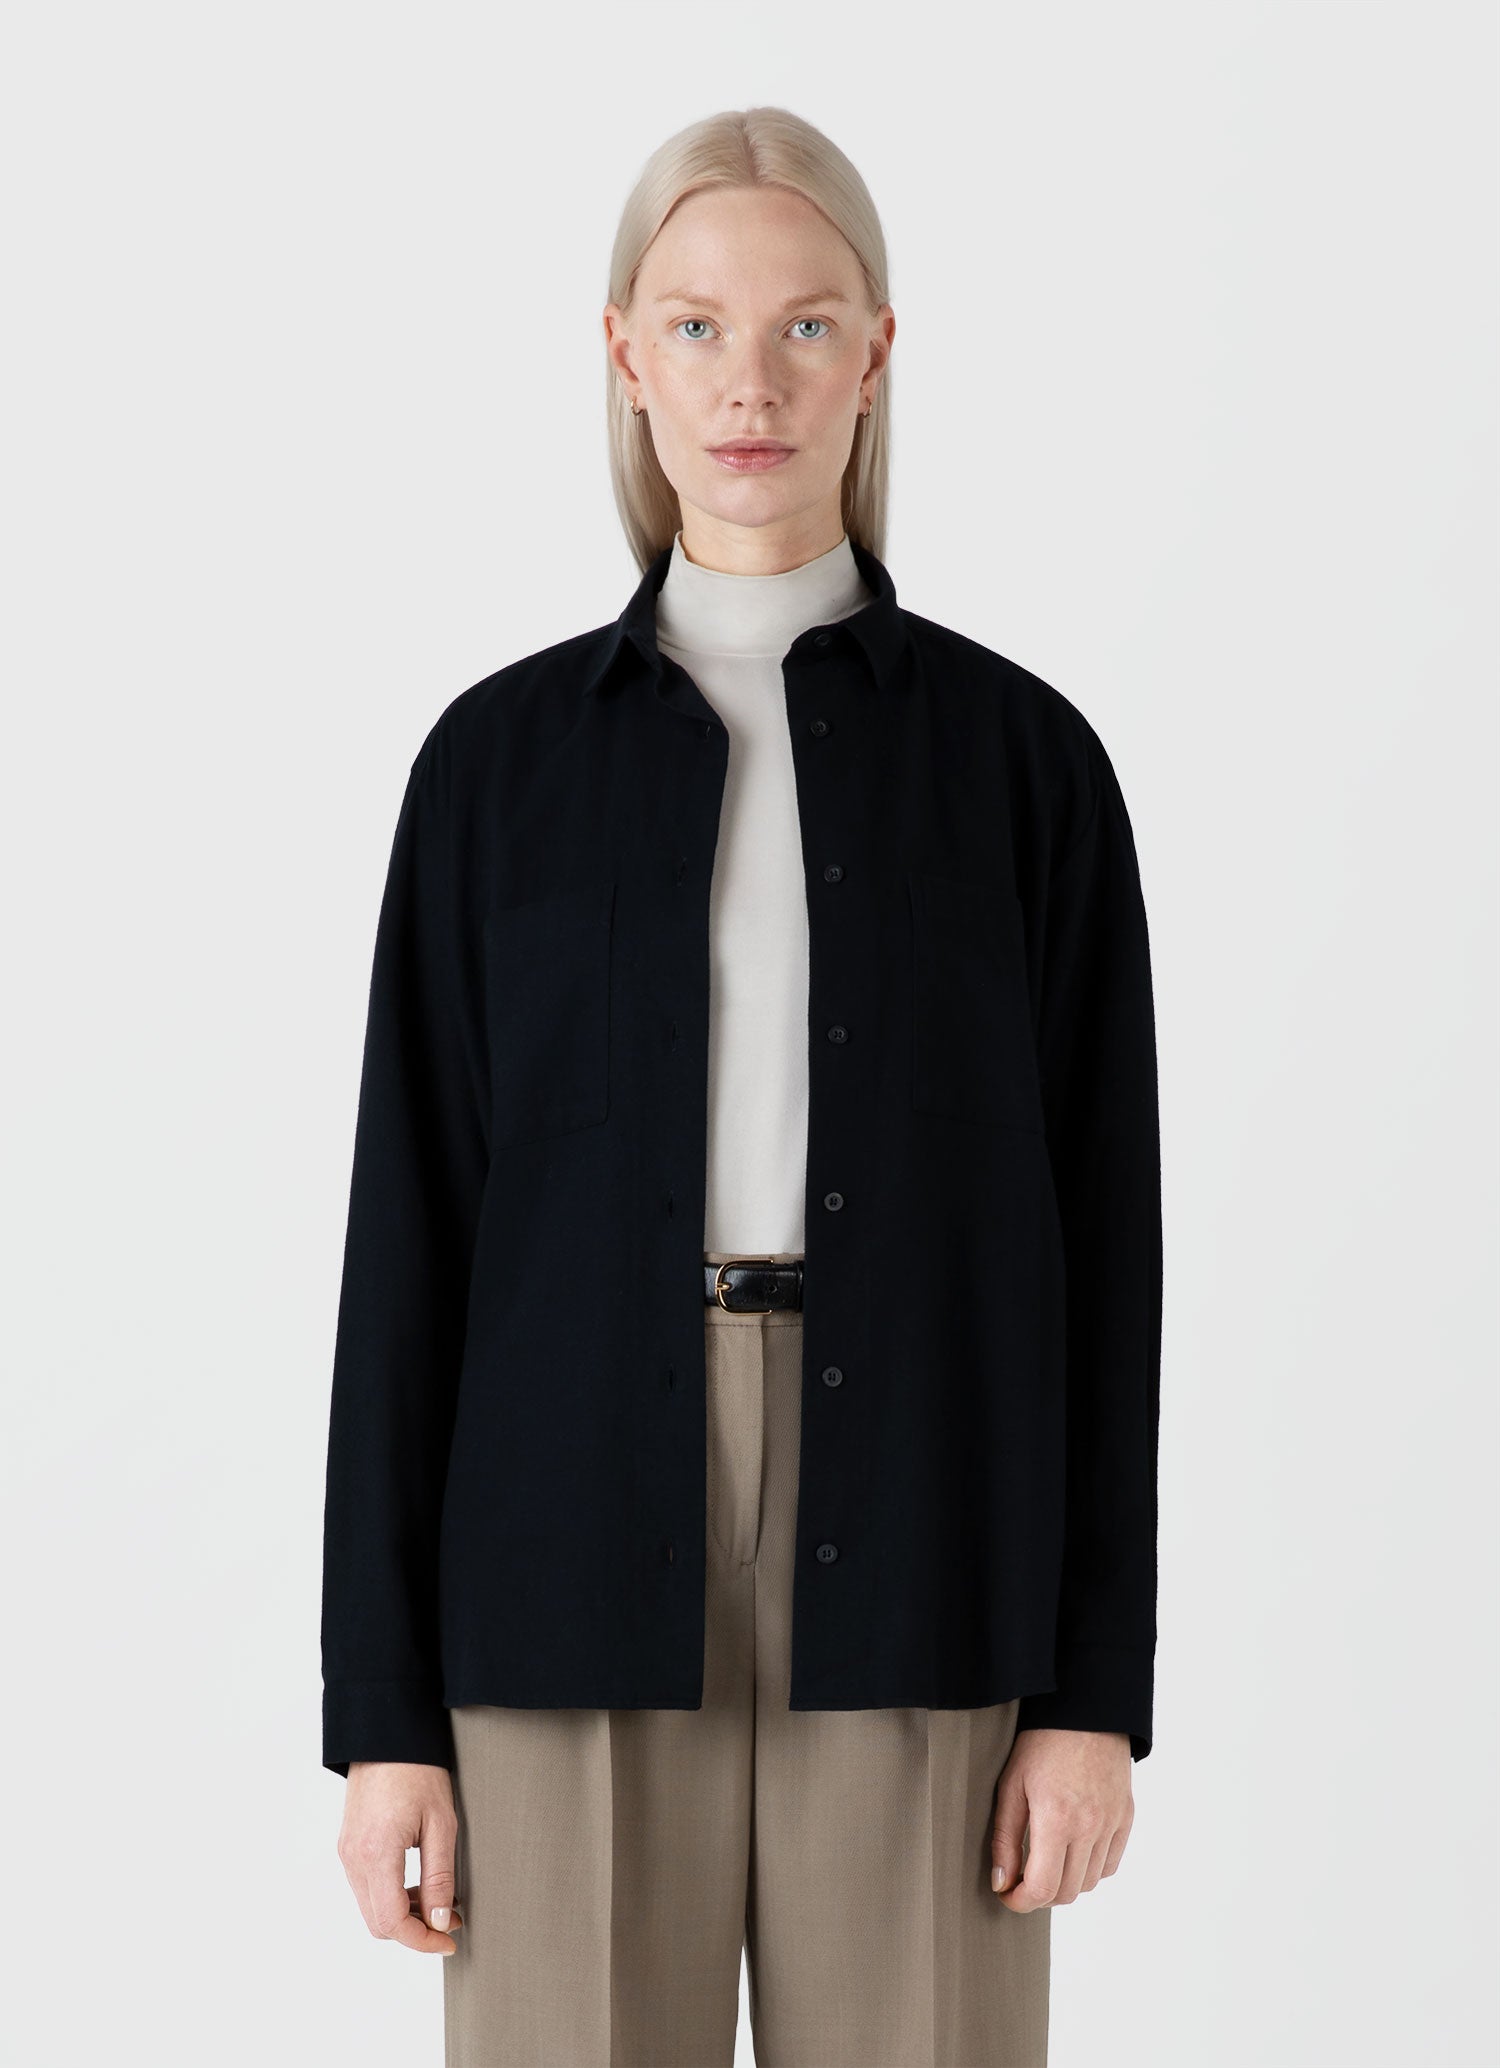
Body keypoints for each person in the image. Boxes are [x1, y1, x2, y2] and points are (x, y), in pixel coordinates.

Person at [322, 104, 1163, 2068]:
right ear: (624, 354)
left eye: (805, 326)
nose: (750, 382)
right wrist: (384, 1714)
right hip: (562, 1524)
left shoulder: (1025, 769)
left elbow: (1107, 1250)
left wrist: (1090, 1691)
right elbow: (409, 1242)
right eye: (697, 326)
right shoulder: (496, 771)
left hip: (929, 1510)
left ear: (879, 351)